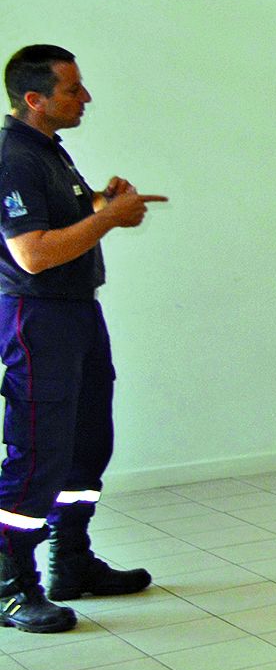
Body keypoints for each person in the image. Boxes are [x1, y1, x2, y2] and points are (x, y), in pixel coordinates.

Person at [0, 45, 163, 634]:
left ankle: (71, 562)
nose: (85, 98)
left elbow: (63, 223)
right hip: (36, 315)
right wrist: (108, 220)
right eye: (72, 89)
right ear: (34, 99)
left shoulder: (48, 151)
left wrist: (100, 202)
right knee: (37, 449)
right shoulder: (12, 157)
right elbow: (34, 253)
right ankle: (10, 586)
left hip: (75, 313)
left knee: (88, 442)